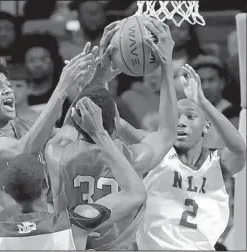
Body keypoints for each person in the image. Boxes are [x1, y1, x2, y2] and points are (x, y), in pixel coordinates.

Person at [46, 18, 178, 250]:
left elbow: (73, 118)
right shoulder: (132, 158)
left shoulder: (57, 151)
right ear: (116, 124)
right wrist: (166, 66)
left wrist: (99, 74)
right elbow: (167, 132)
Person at [0, 44, 97, 250]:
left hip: (37, 231)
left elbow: (68, 135)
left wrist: (88, 87)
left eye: (7, 85)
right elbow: (21, 151)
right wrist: (62, 87)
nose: (7, 90)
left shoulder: (21, 126)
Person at [0, 96, 147, 250]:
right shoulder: (75, 223)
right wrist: (99, 133)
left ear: (8, 192)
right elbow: (136, 193)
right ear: (45, 184)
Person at [134, 64, 246, 250]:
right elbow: (114, 123)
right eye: (176, 117)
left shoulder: (216, 164)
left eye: (190, 116)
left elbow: (240, 150)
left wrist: (203, 103)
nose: (181, 123)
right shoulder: (154, 151)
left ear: (206, 126)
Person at [191, 55, 238, 148]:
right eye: (201, 81)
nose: (206, 86)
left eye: (211, 80)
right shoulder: (189, 112)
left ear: (222, 82)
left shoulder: (232, 113)